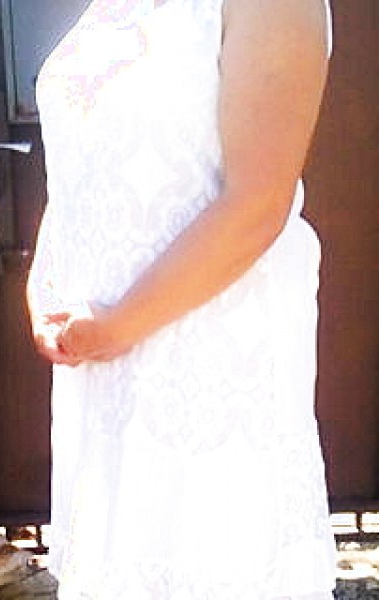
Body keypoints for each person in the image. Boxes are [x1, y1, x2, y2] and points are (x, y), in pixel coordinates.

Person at [26, 0, 336, 597]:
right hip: (108, 378)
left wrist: (118, 326)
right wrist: (44, 287)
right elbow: (81, 167)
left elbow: (256, 204)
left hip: (213, 374)